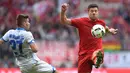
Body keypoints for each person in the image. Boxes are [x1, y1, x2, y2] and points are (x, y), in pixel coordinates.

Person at [60, 3, 118, 73]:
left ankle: (97, 61)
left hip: (96, 50)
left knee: (96, 54)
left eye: (95, 11)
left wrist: (109, 30)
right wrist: (63, 11)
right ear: (88, 12)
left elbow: (104, 28)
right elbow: (64, 21)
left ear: (98, 12)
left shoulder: (101, 23)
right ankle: (97, 60)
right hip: (83, 54)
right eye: (92, 11)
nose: (94, 13)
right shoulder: (81, 22)